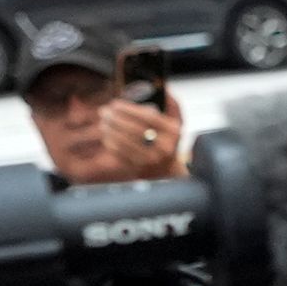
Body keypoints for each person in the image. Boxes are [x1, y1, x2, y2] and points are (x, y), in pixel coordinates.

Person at [21, 18, 188, 184]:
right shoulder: (21, 206)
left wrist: (168, 174)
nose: (77, 118)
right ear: (36, 123)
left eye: (94, 92)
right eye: (51, 101)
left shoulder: (209, 188)